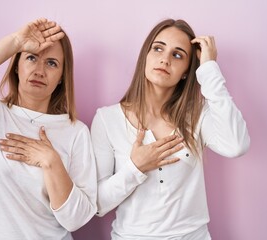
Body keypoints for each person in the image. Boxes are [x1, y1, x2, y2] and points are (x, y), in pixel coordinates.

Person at [90, 18, 250, 239]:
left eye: (177, 55)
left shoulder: (197, 115)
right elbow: (97, 203)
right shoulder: (107, 119)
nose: (164, 60)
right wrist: (136, 167)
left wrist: (209, 70)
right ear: (145, 56)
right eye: (158, 49)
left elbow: (236, 145)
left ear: (186, 71)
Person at [0, 18, 97, 240]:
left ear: (62, 76)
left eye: (52, 63)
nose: (40, 70)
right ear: (16, 65)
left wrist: (51, 161)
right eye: (31, 58)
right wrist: (15, 42)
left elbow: (76, 219)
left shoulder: (76, 132)